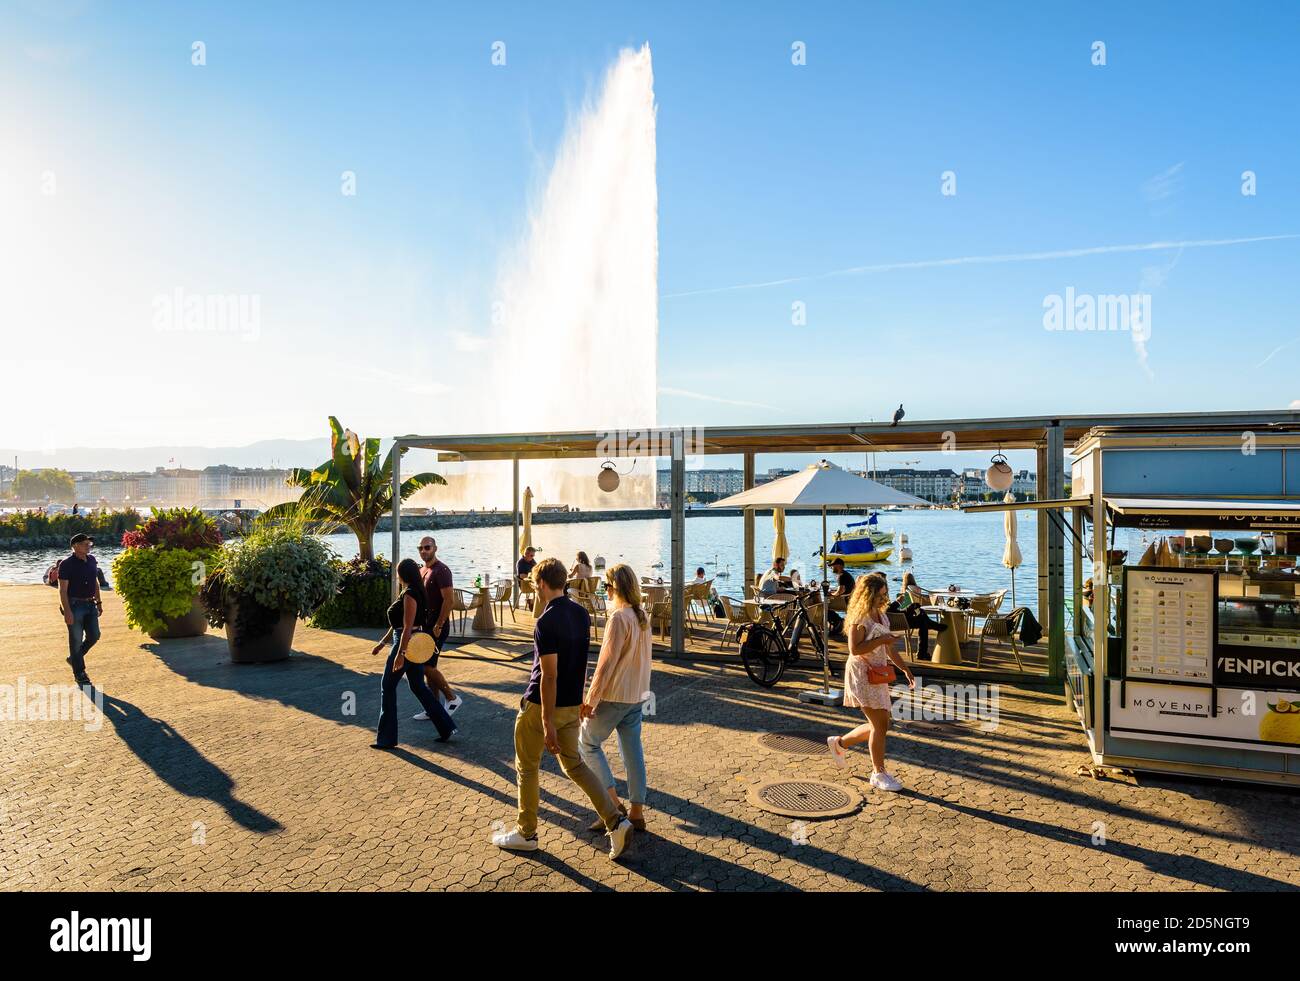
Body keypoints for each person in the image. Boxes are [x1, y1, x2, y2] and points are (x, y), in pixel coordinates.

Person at [493, 557, 633, 860]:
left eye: (534, 585)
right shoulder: (581, 614)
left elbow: (549, 674)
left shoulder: (546, 621)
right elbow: (582, 662)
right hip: (571, 704)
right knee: (575, 766)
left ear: (542, 584)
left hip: (541, 706)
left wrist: (546, 720)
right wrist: (582, 698)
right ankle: (616, 821)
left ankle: (526, 832)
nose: (535, 589)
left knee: (527, 767)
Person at [579, 564, 653, 833]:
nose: (605, 592)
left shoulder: (618, 618)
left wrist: (590, 699)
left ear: (615, 588)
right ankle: (637, 812)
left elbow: (605, 665)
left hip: (616, 695)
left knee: (587, 743)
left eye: (606, 587)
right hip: (637, 694)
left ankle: (612, 805)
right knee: (633, 751)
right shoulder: (641, 614)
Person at [827, 572, 915, 791]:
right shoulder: (860, 618)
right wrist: (881, 640)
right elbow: (854, 649)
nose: (884, 599)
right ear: (869, 595)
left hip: (879, 673)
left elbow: (888, 647)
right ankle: (878, 773)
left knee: (882, 724)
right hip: (862, 674)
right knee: (879, 725)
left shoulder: (881, 615)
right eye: (880, 595)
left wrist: (905, 668)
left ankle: (839, 744)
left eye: (885, 594)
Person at [370, 558, 457, 749]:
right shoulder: (416, 591)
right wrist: (382, 643)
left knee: (387, 687)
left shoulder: (410, 594)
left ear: (403, 574)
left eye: (398, 572)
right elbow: (399, 625)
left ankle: (386, 739)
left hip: (406, 643)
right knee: (418, 686)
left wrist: (400, 653)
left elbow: (407, 627)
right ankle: (446, 727)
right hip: (411, 643)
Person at [413, 537, 462, 719]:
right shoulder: (422, 569)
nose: (423, 551)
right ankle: (433, 708)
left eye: (427, 547)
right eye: (421, 548)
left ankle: (452, 697)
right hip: (425, 626)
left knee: (426, 666)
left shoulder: (442, 570)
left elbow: (449, 600)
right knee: (429, 666)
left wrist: (439, 624)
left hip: (437, 626)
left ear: (435, 548)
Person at [58, 533, 101, 686]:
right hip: (74, 606)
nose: (88, 546)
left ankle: (74, 659)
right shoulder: (66, 564)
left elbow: (95, 582)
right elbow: (63, 590)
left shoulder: (92, 560)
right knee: (75, 640)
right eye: (85, 544)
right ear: (75, 546)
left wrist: (99, 602)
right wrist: (67, 611)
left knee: (95, 635)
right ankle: (79, 672)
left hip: (91, 604)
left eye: (89, 543)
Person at [888, 571, 947, 661]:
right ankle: (923, 650)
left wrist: (906, 607)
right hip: (899, 621)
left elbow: (893, 610)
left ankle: (923, 651)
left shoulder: (882, 599)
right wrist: (898, 602)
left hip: (898, 618)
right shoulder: (882, 600)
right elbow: (891, 611)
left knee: (922, 615)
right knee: (923, 619)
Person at [826, 558, 854, 635]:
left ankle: (838, 622)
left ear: (838, 566)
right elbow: (844, 589)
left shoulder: (841, 575)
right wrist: (834, 592)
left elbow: (840, 591)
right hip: (849, 599)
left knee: (823, 608)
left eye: (832, 566)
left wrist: (831, 594)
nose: (831, 568)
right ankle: (838, 621)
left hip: (844, 601)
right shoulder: (846, 574)